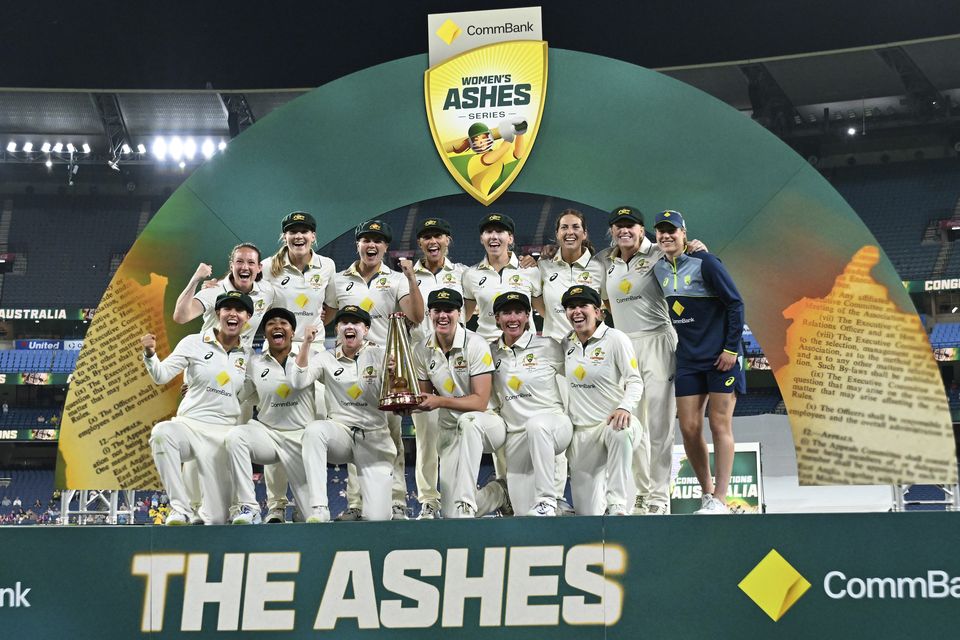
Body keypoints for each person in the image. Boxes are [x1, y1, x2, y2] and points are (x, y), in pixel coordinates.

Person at [603, 205, 707, 516]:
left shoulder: (658, 252)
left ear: (641, 229)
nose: (625, 231)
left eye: (631, 226)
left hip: (658, 341)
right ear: (611, 231)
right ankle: (641, 494)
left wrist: (699, 249)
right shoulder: (605, 260)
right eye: (618, 226)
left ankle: (660, 499)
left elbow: (689, 259)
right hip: (623, 346)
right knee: (632, 425)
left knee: (660, 426)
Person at [329, 219, 423, 521]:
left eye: (378, 240)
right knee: (355, 433)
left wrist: (410, 278)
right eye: (366, 239)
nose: (372, 245)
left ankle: (396, 500)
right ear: (357, 244)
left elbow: (416, 316)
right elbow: (325, 315)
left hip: (385, 367)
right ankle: (355, 503)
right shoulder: (338, 280)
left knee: (391, 438)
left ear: (385, 247)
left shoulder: (395, 280)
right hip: (348, 366)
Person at [652, 210, 745, 515]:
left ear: (684, 233)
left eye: (672, 231)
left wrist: (731, 348)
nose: (667, 236)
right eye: (661, 232)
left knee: (719, 424)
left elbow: (735, 303)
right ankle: (707, 494)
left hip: (721, 357)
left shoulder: (706, 263)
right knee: (689, 427)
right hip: (688, 358)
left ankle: (720, 498)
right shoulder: (658, 269)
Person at [142, 291, 254, 525]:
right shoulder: (193, 342)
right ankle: (178, 508)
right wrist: (150, 355)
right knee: (162, 434)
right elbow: (162, 376)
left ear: (247, 318)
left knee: (216, 520)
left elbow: (246, 394)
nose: (233, 313)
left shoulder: (248, 355)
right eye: (227, 309)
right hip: (190, 426)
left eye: (239, 310)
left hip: (224, 433)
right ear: (218, 314)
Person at [259, 211, 338, 523]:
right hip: (278, 351)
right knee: (276, 426)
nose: (299, 236)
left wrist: (310, 332)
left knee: (312, 427)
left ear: (314, 236)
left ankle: (311, 504)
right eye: (293, 232)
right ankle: (276, 505)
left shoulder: (327, 266)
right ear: (285, 237)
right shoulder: (268, 267)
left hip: (314, 350)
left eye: (304, 231)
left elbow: (330, 308)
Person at [293, 306, 396, 522]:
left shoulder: (383, 355)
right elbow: (299, 380)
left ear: (366, 329)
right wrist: (306, 343)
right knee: (314, 431)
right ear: (338, 329)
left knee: (379, 518)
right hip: (341, 434)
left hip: (374, 438)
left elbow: (396, 400)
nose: (349, 326)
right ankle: (319, 509)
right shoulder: (325, 358)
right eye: (344, 323)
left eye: (356, 323)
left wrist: (393, 376)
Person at [413, 288, 509, 518]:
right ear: (429, 313)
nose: (443, 316)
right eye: (437, 311)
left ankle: (467, 501)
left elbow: (480, 401)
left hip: (487, 424)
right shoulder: (421, 350)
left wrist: (440, 400)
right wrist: (404, 403)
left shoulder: (475, 344)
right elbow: (426, 399)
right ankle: (499, 493)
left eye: (449, 311)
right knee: (450, 515)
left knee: (469, 420)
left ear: (460, 314)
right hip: (450, 430)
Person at [537, 208, 608, 513]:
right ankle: (554, 498)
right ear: (556, 233)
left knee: (591, 427)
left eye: (575, 227)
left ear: (584, 232)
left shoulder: (599, 266)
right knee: (557, 424)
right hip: (556, 357)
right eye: (564, 227)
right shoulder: (541, 267)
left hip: (591, 358)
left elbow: (607, 307)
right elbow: (537, 303)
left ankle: (600, 500)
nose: (569, 232)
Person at [225, 307, 313, 524]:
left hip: (301, 438)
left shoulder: (311, 357)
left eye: (284, 323)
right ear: (265, 333)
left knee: (311, 517)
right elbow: (238, 394)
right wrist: (201, 388)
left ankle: (302, 511)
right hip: (268, 435)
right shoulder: (255, 363)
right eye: (271, 323)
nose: (277, 326)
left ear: (293, 331)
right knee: (236, 436)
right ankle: (250, 507)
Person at [561, 285, 643, 516]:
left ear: (597, 312)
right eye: (571, 307)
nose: (576, 311)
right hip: (582, 434)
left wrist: (624, 407)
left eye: (582, 306)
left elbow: (635, 381)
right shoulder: (565, 344)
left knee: (621, 430)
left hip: (611, 422)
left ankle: (617, 502)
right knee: (587, 514)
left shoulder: (616, 339)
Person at [489, 292, 572, 516]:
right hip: (517, 437)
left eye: (518, 312)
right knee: (523, 514)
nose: (513, 318)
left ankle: (548, 498)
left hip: (553, 426)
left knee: (537, 425)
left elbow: (578, 377)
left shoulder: (548, 346)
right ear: (497, 318)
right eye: (506, 313)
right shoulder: (491, 352)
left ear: (528, 315)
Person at [409, 217, 468, 519]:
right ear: (420, 243)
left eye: (438, 236)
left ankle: (461, 497)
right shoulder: (407, 276)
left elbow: (473, 310)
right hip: (423, 364)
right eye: (426, 237)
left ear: (448, 240)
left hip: (460, 367)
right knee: (426, 439)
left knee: (463, 435)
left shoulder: (463, 274)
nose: (432, 242)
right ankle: (428, 500)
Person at [172, 243, 275, 348]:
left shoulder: (267, 291)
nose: (245, 267)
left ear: (259, 268)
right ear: (231, 266)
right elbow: (180, 317)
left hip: (239, 361)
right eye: (239, 261)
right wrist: (195, 279)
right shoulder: (214, 291)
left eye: (251, 262)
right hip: (207, 357)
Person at [463, 213, 544, 341]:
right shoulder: (470, 274)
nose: (494, 236)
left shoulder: (529, 270)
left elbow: (545, 312)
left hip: (525, 348)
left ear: (510, 238)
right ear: (481, 238)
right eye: (488, 232)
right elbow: (464, 317)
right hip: (487, 348)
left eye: (500, 231)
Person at [464, 118, 528, 197]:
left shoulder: (495, 156)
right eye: (476, 139)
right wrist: (508, 132)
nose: (481, 142)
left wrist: (519, 133)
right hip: (482, 201)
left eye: (484, 138)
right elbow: (503, 149)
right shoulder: (474, 160)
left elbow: (518, 154)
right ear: (471, 142)